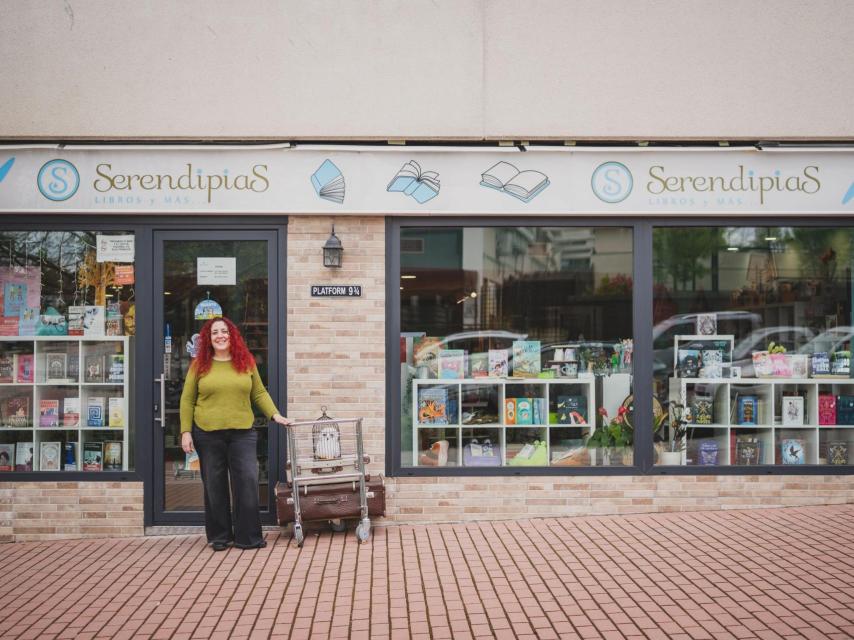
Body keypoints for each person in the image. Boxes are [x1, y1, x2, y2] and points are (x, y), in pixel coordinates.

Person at [180, 316, 292, 551]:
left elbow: (259, 393)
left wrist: (275, 415)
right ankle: (219, 537)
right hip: (208, 434)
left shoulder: (246, 362)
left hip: (242, 433)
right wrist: (185, 431)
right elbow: (187, 400)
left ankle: (248, 537)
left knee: (247, 483)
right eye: (214, 333)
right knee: (214, 486)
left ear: (232, 336)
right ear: (209, 340)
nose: (220, 336)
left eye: (224, 332)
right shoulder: (199, 366)